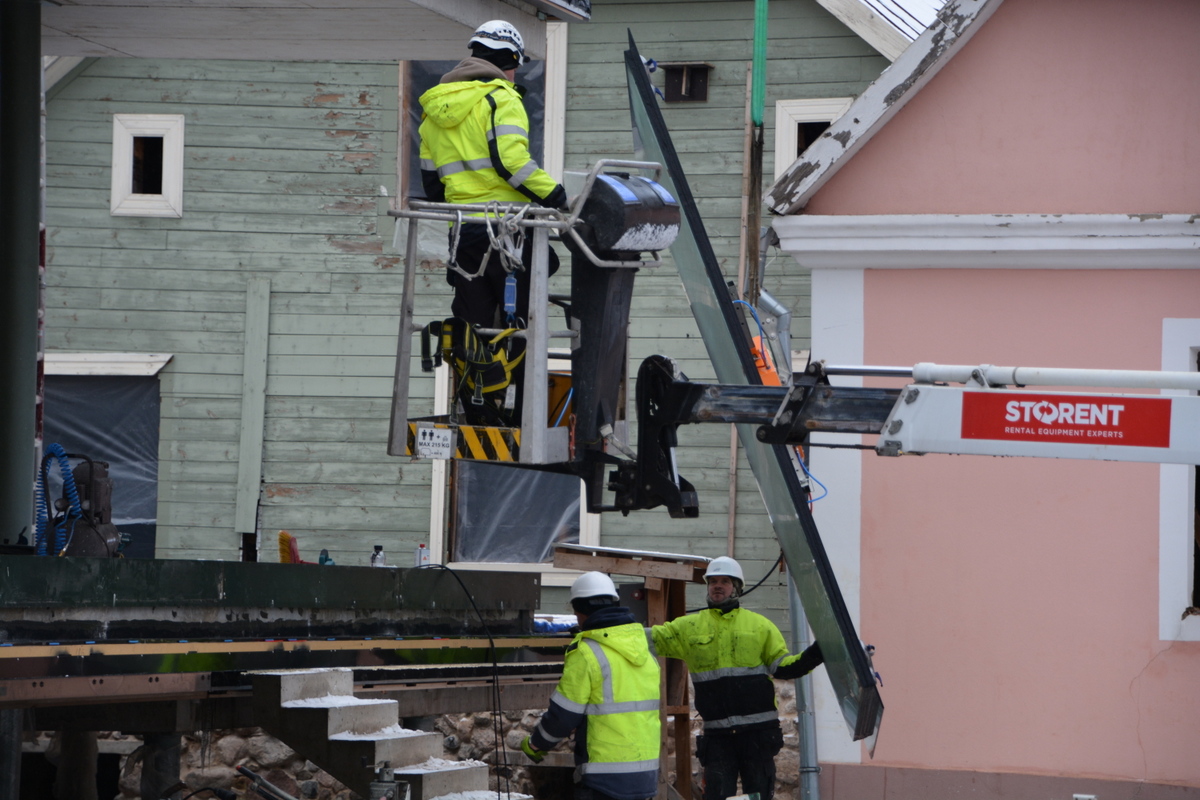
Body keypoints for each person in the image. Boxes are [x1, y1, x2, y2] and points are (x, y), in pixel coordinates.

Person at [418, 19, 567, 331]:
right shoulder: (501, 98)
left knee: (476, 328)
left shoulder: (434, 108)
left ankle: (478, 379)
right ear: (510, 60)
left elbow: (432, 184)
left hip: (461, 231)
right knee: (523, 324)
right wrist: (558, 198)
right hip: (505, 228)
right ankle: (519, 375)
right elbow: (511, 163)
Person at [649, 556, 824, 800]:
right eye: (713, 581)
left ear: (737, 588)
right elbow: (647, 639)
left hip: (758, 736)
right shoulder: (688, 627)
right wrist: (610, 628)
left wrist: (817, 653)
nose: (717, 586)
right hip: (718, 739)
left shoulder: (760, 626)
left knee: (759, 796)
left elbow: (784, 668)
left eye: (725, 581)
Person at [521, 571, 660, 800]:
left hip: (604, 778)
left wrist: (537, 743)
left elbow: (563, 716)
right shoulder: (642, 650)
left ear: (580, 611)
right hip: (645, 776)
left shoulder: (587, 652)